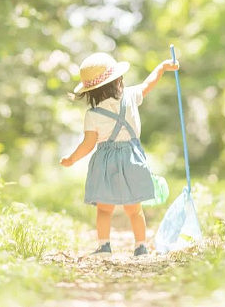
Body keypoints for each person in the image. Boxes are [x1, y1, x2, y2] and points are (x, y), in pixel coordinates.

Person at [60, 51, 179, 257]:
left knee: (104, 209)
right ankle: (140, 246)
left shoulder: (92, 115)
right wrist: (161, 67)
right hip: (132, 157)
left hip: (106, 161)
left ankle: (104, 246)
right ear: (118, 80)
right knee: (134, 209)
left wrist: (71, 159)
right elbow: (148, 84)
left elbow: (88, 144)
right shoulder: (131, 96)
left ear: (91, 92)